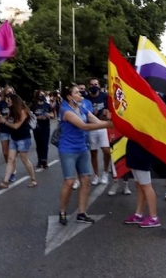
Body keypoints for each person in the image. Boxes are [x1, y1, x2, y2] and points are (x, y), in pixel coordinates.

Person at [57, 85, 112, 225]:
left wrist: (112, 122)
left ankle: (82, 213)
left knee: (86, 180)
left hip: (82, 148)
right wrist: (109, 125)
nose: (81, 93)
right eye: (76, 92)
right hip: (68, 149)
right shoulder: (66, 111)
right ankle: (62, 211)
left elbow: (97, 121)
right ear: (69, 97)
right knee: (69, 181)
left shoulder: (81, 108)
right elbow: (84, 126)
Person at [0, 94, 38, 188]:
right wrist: (3, 118)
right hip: (14, 138)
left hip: (23, 138)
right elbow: (5, 118)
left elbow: (16, 126)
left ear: (14, 101)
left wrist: (5, 122)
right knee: (10, 159)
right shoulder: (11, 111)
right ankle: (5, 182)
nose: (7, 102)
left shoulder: (23, 111)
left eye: (9, 100)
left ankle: (33, 179)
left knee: (24, 160)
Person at [123, 138, 161, 228]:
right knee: (139, 185)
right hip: (134, 147)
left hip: (142, 150)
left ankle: (154, 217)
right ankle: (139, 214)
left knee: (146, 185)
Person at [85, 78, 111, 186]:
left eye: (95, 84)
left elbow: (110, 110)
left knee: (106, 151)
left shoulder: (105, 96)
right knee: (93, 152)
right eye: (91, 84)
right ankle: (96, 175)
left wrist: (107, 114)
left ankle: (105, 172)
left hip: (103, 126)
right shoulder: (86, 99)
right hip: (91, 127)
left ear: (99, 85)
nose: (94, 86)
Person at [32, 90, 55, 169]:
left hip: (45, 127)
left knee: (44, 143)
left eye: (43, 95)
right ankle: (39, 160)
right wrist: (38, 117)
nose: (42, 96)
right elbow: (30, 117)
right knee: (38, 144)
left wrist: (48, 114)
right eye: (40, 95)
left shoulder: (47, 105)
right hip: (37, 127)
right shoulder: (34, 106)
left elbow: (53, 115)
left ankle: (44, 160)